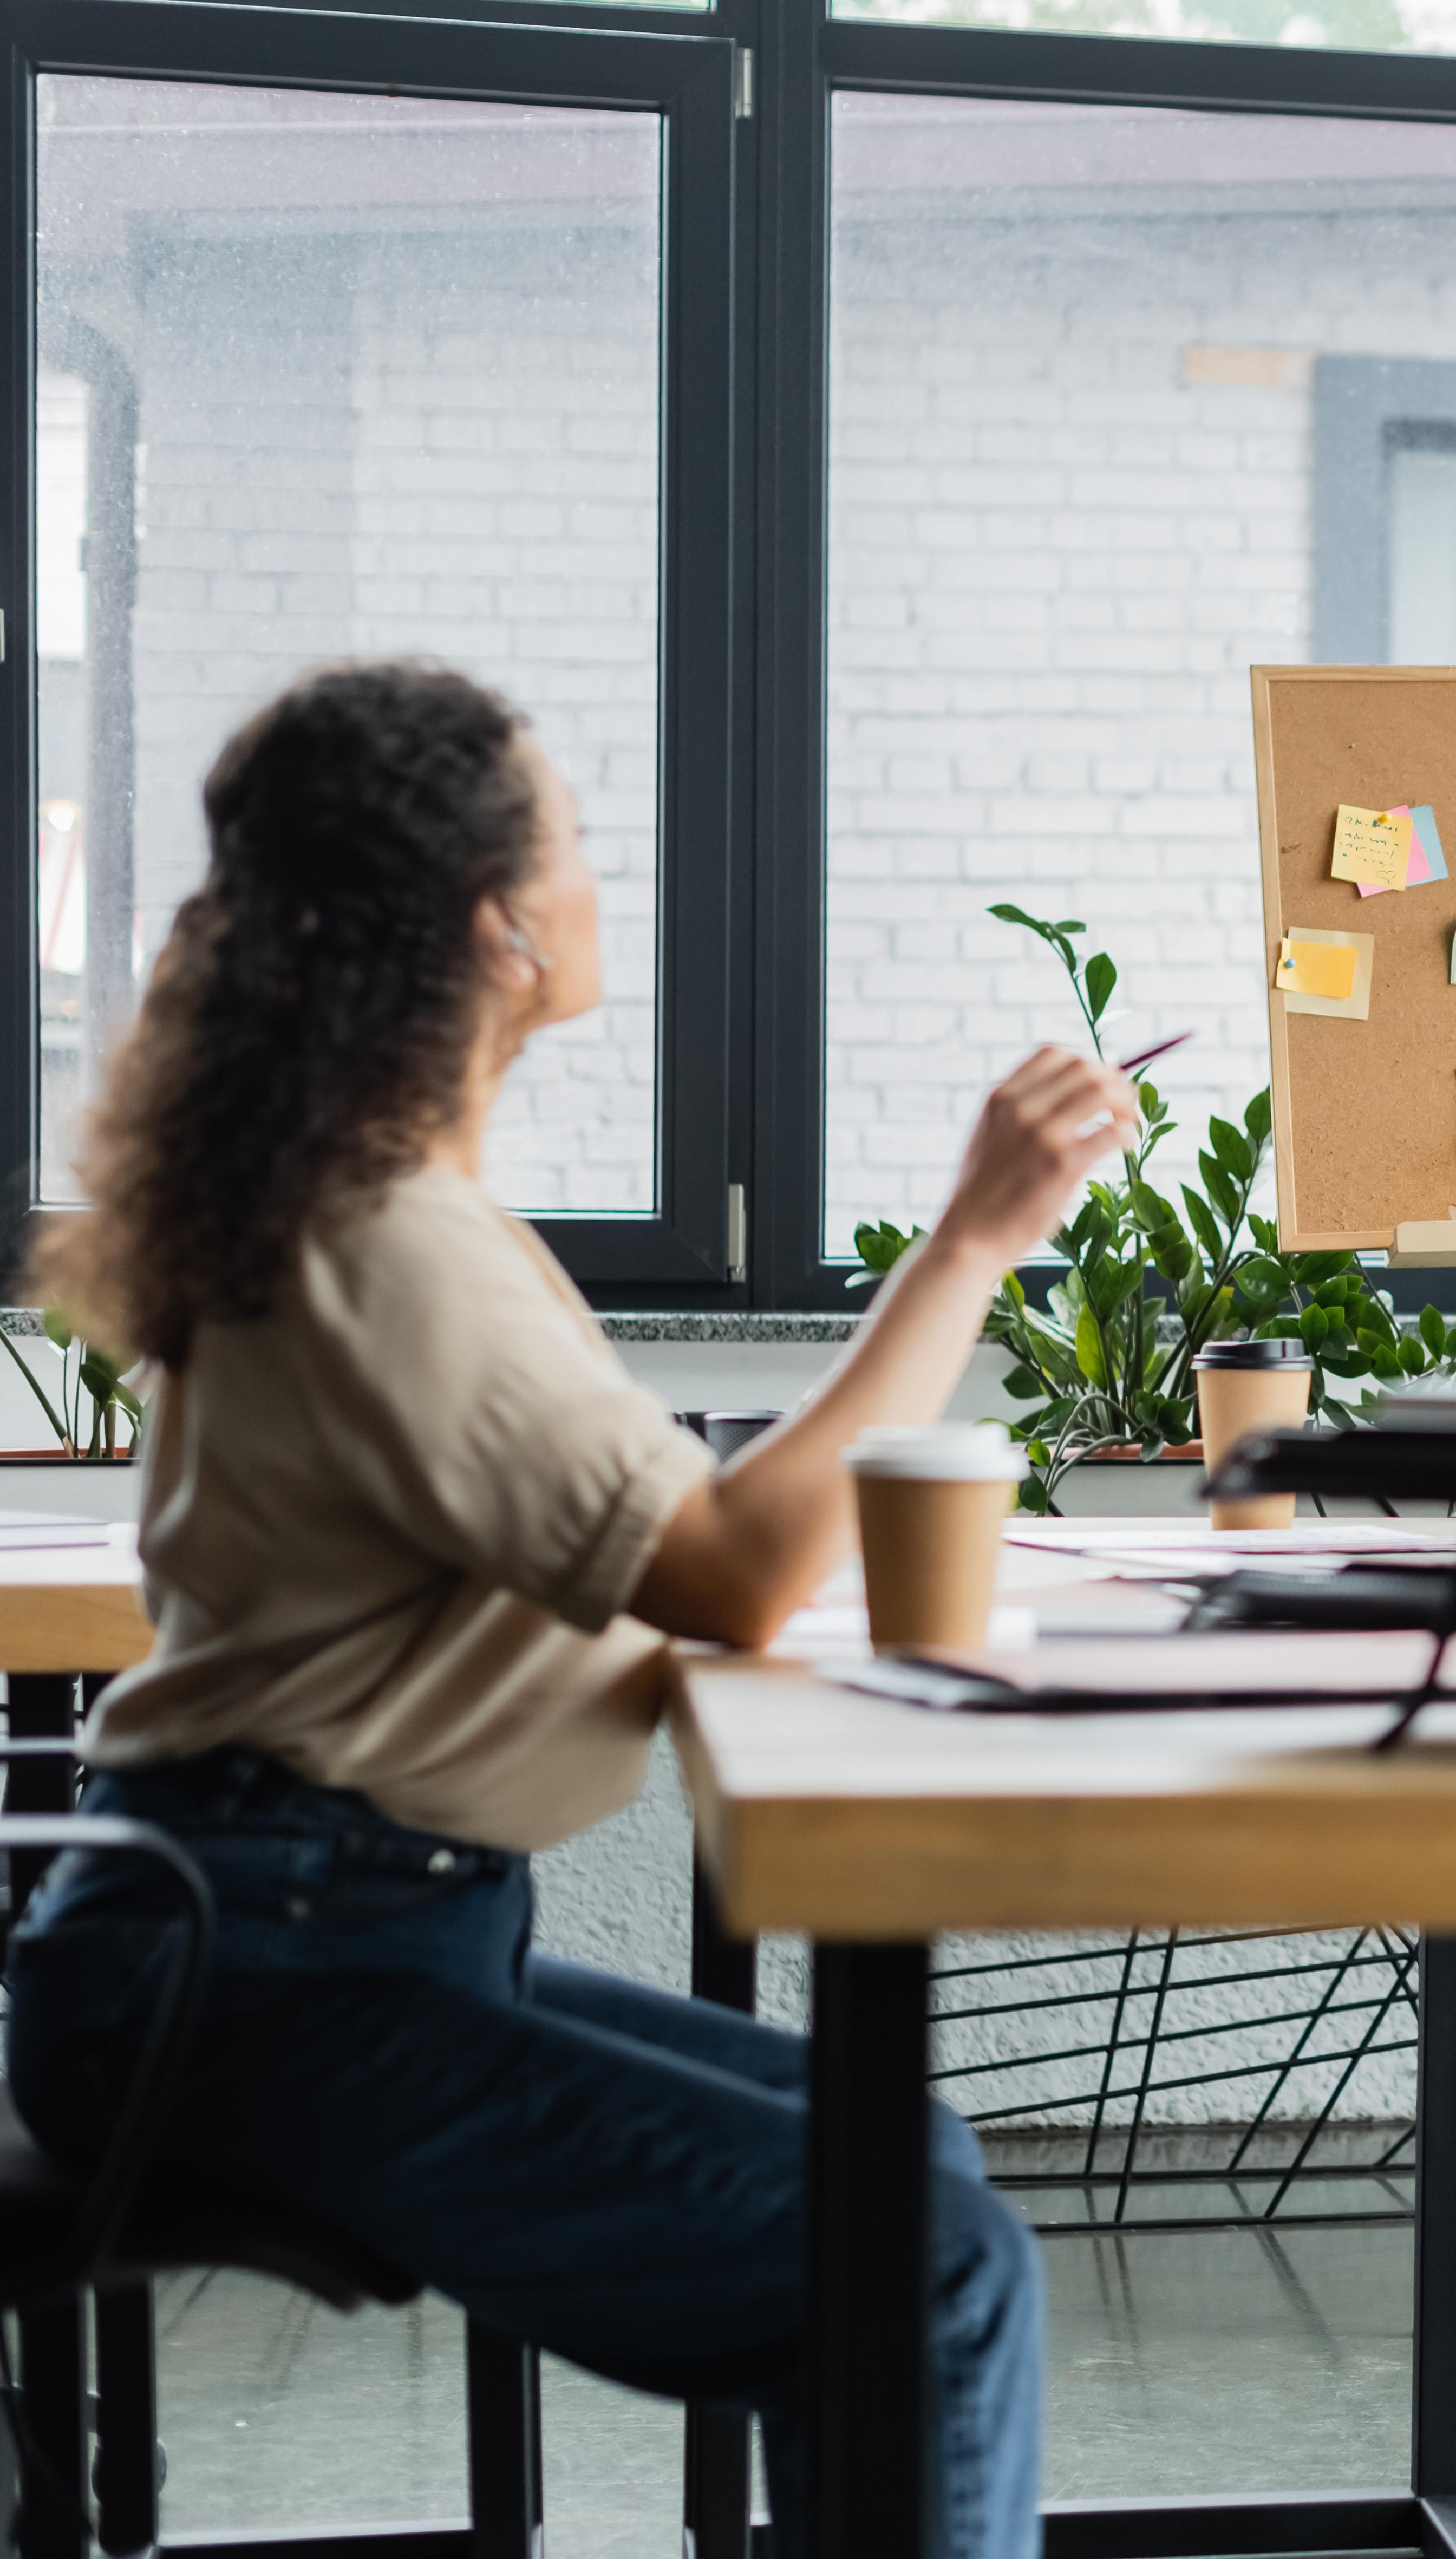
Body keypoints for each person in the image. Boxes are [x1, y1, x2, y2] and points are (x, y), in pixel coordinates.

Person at [5, 661, 1138, 2554]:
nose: (602, 883)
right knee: (923, 2264)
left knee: (902, 2169)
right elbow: (733, 1575)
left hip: (278, 1941)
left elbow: (660, 1543)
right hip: (269, 1972)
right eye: (580, 845)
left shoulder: (371, 1203)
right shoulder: (392, 1238)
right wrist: (975, 1239)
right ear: (497, 928)